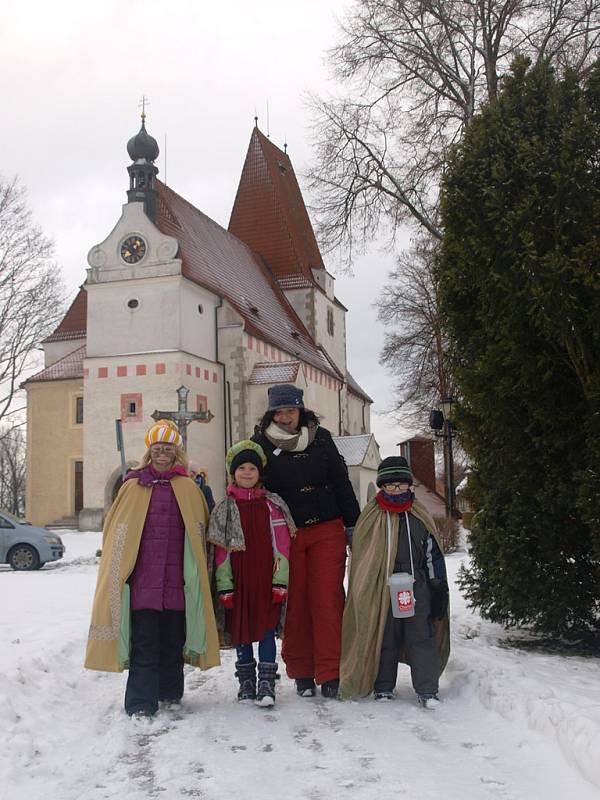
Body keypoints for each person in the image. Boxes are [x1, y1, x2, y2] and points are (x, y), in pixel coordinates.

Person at [84, 419, 220, 718]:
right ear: (149, 452)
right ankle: (140, 702)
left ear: (176, 453)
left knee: (172, 639)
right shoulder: (133, 486)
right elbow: (116, 531)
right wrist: (121, 571)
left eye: (168, 449)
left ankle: (169, 692)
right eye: (157, 449)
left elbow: (202, 528)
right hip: (143, 580)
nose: (162, 454)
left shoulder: (188, 486)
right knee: (144, 642)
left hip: (176, 581)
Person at [252, 384, 360, 699]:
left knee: (327, 599)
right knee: (296, 601)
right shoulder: (259, 444)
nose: (286, 417)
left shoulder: (321, 438)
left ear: (301, 410)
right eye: (280, 411)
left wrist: (352, 525)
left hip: (328, 528)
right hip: (288, 533)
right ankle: (301, 670)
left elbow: (341, 482)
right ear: (271, 413)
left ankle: (330, 671)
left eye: (291, 410)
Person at [339, 456, 450, 708]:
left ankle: (427, 689)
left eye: (401, 485)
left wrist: (437, 585)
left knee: (421, 636)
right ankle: (383, 685)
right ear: (382, 486)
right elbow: (363, 557)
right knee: (384, 635)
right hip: (382, 587)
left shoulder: (419, 515)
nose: (396, 490)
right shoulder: (371, 516)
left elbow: (433, 552)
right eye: (390, 485)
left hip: (417, 584)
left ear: (409, 486)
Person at [207, 440, 295, 706]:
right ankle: (246, 680)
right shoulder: (225, 508)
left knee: (267, 629)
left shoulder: (273, 505)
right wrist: (225, 585)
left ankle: (266, 681)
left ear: (260, 473)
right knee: (241, 630)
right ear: (233, 472)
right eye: (241, 468)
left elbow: (282, 545)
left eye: (252, 468)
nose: (247, 472)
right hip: (239, 580)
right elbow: (220, 551)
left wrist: (280, 580)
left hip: (266, 579)